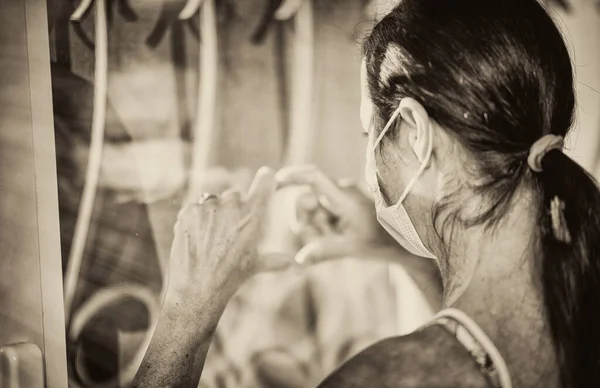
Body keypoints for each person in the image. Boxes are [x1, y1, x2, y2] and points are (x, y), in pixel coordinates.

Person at [132, 0, 600, 387]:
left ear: (415, 134)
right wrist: (411, 252)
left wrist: (186, 312)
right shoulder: (579, 307)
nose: (369, 167)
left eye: (370, 137)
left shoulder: (390, 378)